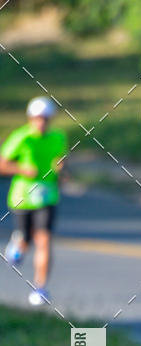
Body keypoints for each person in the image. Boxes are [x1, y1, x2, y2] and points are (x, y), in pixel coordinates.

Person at [0, 96, 68, 306]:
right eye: (38, 119)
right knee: (25, 241)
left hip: (47, 196)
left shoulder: (58, 137)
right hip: (22, 198)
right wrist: (21, 169)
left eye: (45, 119)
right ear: (31, 118)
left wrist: (62, 168)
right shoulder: (21, 138)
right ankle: (17, 244)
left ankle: (40, 288)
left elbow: (61, 160)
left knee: (44, 240)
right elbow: (2, 164)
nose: (41, 123)